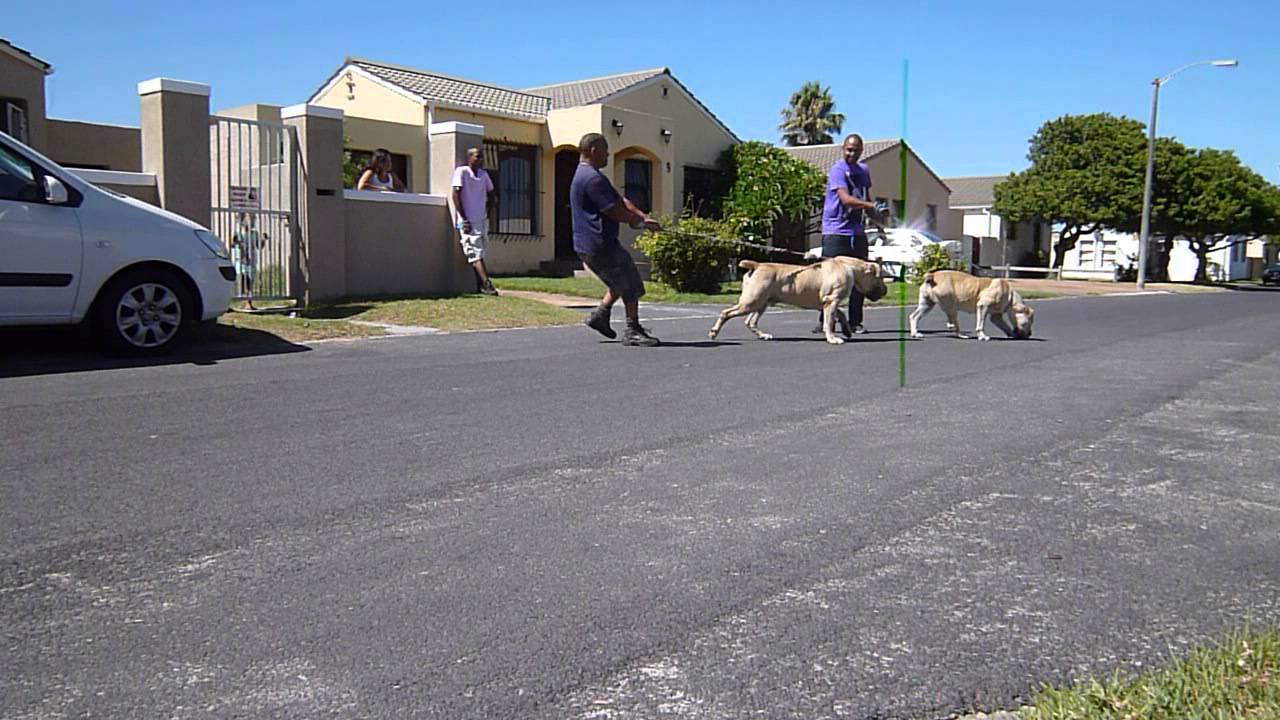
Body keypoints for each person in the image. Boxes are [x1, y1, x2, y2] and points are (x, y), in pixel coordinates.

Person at [572, 133, 662, 346]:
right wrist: (637, 223)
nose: (608, 154)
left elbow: (620, 200)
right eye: (605, 150)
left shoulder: (590, 175)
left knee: (618, 279)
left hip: (591, 243)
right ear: (594, 151)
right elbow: (613, 210)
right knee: (630, 282)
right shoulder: (591, 178)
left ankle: (600, 316)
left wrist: (642, 216)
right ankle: (632, 330)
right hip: (599, 243)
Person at [814, 133, 876, 334]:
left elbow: (866, 196)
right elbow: (845, 199)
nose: (852, 153)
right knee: (828, 278)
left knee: (861, 276)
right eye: (849, 150)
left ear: (861, 151)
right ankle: (825, 320)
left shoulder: (864, 170)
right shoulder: (837, 170)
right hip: (835, 231)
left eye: (856, 150)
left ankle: (855, 321)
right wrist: (869, 205)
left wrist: (876, 214)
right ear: (843, 149)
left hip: (856, 232)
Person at [450, 148, 499, 296]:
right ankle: (487, 284)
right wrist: (463, 218)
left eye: (481, 157)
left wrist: (488, 212)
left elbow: (492, 195)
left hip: (481, 219)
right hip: (467, 221)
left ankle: (480, 285)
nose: (480, 160)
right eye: (477, 157)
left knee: (480, 252)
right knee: (474, 252)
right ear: (469, 157)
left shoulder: (483, 175)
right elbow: (455, 195)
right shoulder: (462, 172)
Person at [230, 212, 266, 310]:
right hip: (241, 259)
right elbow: (233, 245)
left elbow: (259, 246)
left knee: (250, 280)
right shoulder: (238, 233)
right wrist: (234, 241)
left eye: (250, 219)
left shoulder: (254, 234)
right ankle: (244, 299)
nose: (248, 222)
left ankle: (248, 301)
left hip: (251, 260)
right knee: (242, 279)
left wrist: (263, 240)